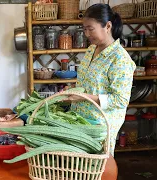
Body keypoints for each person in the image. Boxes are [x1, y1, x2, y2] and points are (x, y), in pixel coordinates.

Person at [67, 3, 136, 156]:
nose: (86, 34)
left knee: (96, 169)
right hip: (80, 120)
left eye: (90, 29)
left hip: (100, 126)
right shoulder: (92, 49)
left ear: (108, 26)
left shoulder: (119, 59)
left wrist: (85, 97)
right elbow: (89, 82)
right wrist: (73, 90)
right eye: (84, 29)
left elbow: (120, 100)